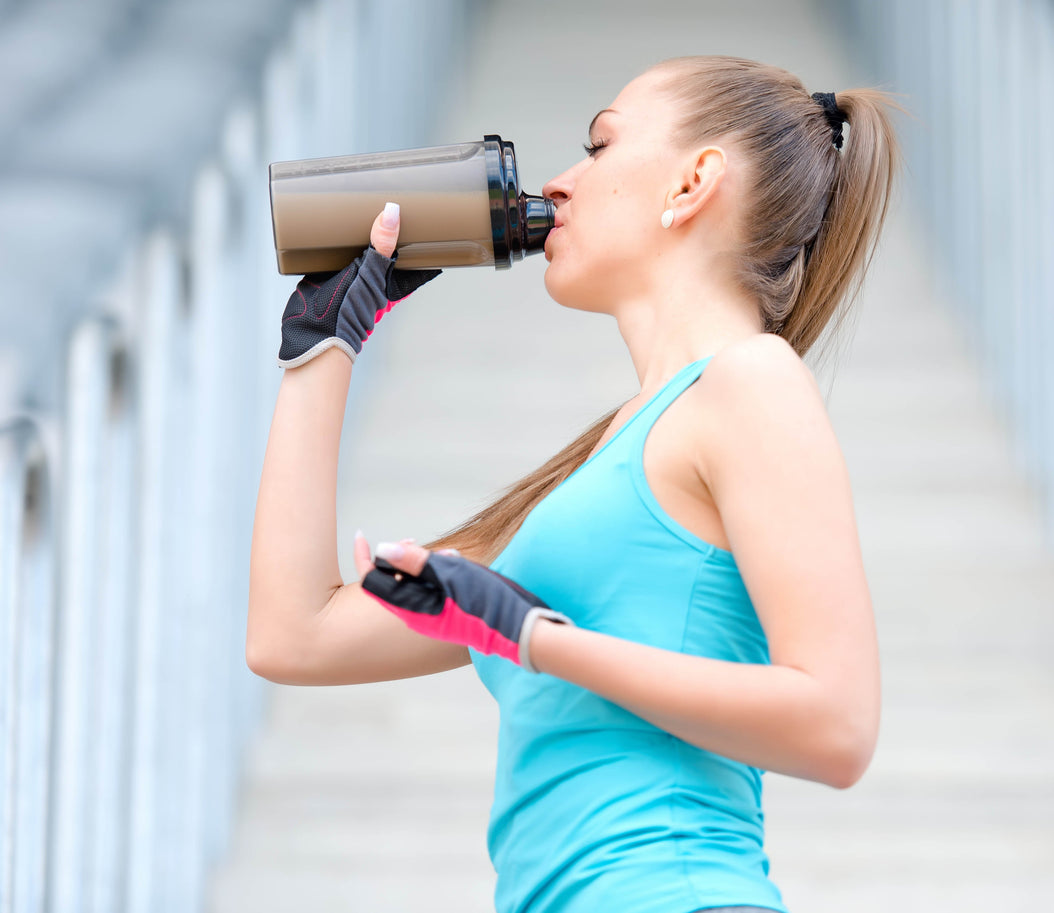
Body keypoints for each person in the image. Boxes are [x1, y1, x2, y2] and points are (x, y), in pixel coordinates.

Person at [248, 53, 905, 913]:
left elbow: (839, 725)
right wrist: (324, 345)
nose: (558, 184)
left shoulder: (752, 381)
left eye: (599, 147)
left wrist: (536, 637)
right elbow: (294, 637)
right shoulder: (596, 470)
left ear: (694, 181)